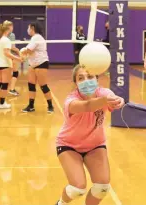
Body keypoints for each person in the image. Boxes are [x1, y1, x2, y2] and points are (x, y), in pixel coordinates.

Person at [55, 65, 125, 205]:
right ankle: (61, 203)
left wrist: (118, 101)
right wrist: (105, 101)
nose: (86, 81)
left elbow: (112, 97)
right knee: (77, 189)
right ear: (75, 83)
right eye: (81, 78)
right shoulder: (71, 101)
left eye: (90, 77)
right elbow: (87, 106)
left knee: (102, 188)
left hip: (95, 145)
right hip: (69, 146)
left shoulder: (104, 93)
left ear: (97, 79)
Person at [21, 21, 54, 113]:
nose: (28, 30)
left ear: (33, 28)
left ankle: (50, 106)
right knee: (31, 85)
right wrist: (24, 54)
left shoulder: (36, 37)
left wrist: (22, 52)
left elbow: (28, 50)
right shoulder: (34, 38)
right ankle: (31, 106)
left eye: (29, 28)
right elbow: (30, 51)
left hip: (41, 63)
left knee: (43, 85)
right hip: (33, 64)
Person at [0, 23, 22, 110]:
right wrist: (18, 58)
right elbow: (7, 53)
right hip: (5, 65)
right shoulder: (6, 40)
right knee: (4, 84)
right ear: (8, 29)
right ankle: (2, 103)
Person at [3, 20, 20, 96]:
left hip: (3, 56)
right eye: (12, 26)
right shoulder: (12, 35)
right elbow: (12, 47)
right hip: (11, 56)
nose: (13, 27)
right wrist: (19, 51)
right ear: (9, 27)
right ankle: (12, 89)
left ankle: (2, 90)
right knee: (15, 73)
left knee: (4, 74)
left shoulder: (0, 35)